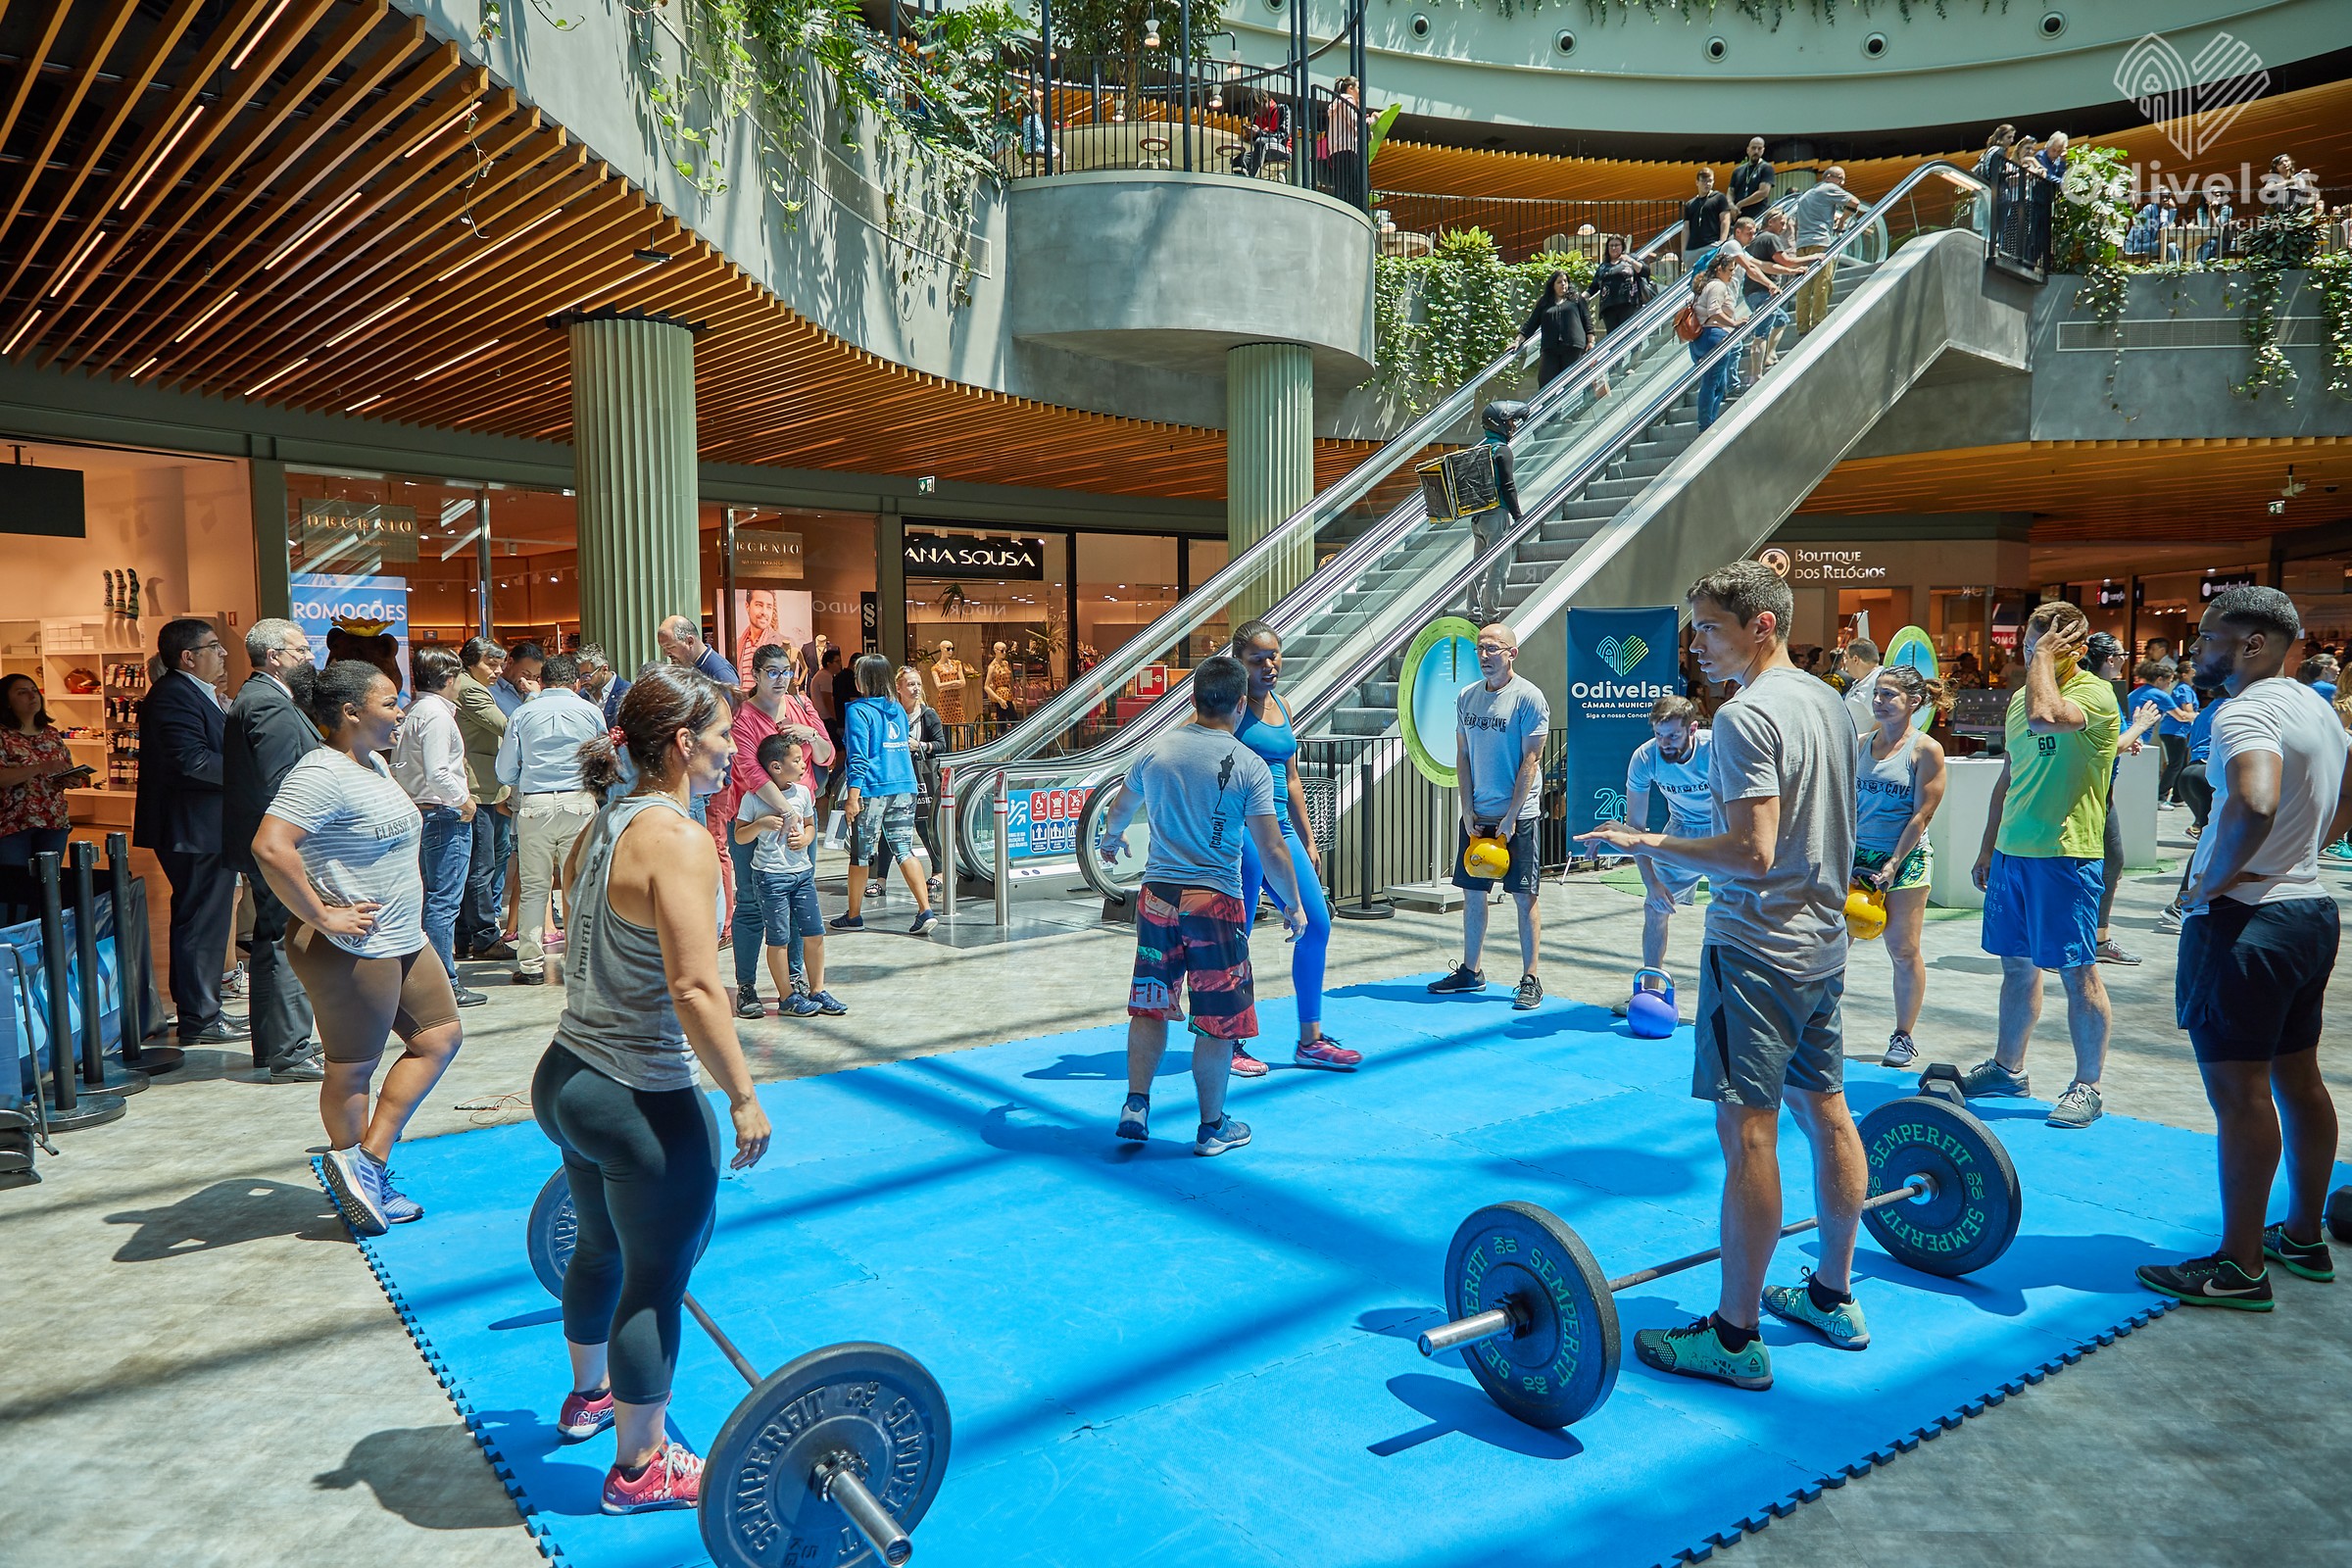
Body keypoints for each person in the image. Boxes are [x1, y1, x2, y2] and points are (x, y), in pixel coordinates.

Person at [1576, 559, 1868, 1392]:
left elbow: (1751, 851)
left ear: (1761, 625)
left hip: (1757, 951)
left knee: (1749, 1137)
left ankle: (1735, 1338)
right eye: (1694, 628)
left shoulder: (1743, 717)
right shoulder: (1828, 701)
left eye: (1708, 627)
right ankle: (1833, 1295)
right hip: (1822, 944)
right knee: (1828, 1111)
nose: (1695, 645)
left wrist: (1649, 843)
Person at [531, 664, 771, 1515]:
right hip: (637, 1098)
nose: (731, 750)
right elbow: (696, 988)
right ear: (681, 742)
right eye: (721, 736)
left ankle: (589, 1397)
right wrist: (742, 1095)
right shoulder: (678, 839)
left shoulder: (601, 823)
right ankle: (640, 1469)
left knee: (599, 1249)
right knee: (655, 1281)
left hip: (566, 1078)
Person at [2136, 586, 2349, 1310]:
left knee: (2241, 1094)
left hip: (2248, 921)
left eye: (2207, 637)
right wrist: (2300, 855)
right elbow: (2347, 796)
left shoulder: (2245, 711)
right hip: (2308, 910)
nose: (2196, 650)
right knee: (2298, 1078)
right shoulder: (2316, 706)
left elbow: (2256, 803)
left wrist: (2212, 882)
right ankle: (2304, 1236)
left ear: (2252, 645)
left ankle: (2240, 1267)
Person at [251, 662, 465, 1236]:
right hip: (353, 947)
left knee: (440, 1038)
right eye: (390, 703)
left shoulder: (372, 762)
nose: (401, 713)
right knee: (353, 1068)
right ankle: (358, 1170)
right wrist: (322, 915)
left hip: (401, 936)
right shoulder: (321, 772)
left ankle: (365, 1164)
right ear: (350, 712)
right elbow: (270, 846)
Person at [1092, 655, 1304, 1156]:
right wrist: (1294, 905)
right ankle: (1211, 1127)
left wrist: (1111, 839)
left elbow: (1120, 807)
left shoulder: (1156, 750)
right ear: (1239, 705)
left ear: (1192, 699)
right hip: (1215, 904)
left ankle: (1137, 1102)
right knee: (1217, 1018)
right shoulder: (1248, 765)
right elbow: (1273, 847)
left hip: (1157, 898)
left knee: (1150, 1003)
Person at [1962, 601, 2121, 1130]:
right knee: (2016, 965)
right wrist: (1989, 847)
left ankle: (2088, 1084)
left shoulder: (2094, 693)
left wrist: (2046, 659)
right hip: (2015, 852)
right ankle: (2008, 1068)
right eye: (2030, 645)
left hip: (2066, 854)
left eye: (2045, 645)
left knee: (2077, 969)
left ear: (2075, 647)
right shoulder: (2020, 698)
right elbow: (2008, 777)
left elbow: (2046, 716)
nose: (2033, 654)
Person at [1224, 622, 1359, 1075]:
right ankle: (1230, 1040)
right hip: (1243, 831)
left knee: (1316, 924)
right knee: (1236, 937)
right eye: (1257, 659)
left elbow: (1293, 778)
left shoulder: (1282, 705)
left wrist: (1307, 838)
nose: (1269, 666)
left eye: (1274, 656)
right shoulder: (1229, 707)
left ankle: (1310, 1040)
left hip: (1280, 828)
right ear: (1238, 662)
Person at [133, 616, 246, 1050]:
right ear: (188, 657)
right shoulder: (174, 695)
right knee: (201, 922)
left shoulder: (195, 692)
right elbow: (192, 761)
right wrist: (249, 772)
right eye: (214, 646)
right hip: (194, 829)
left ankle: (203, 1010)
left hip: (204, 827)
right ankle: (201, 1017)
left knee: (206, 920)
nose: (223, 653)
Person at [1428, 622, 1549, 1010]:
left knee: (1524, 896)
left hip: (1518, 815)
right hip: (1478, 814)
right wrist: (1466, 809)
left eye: (1493, 648)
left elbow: (1531, 760)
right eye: (1480, 648)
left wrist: (1512, 816)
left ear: (1512, 653)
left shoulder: (1529, 698)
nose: (1484, 655)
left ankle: (1530, 978)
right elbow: (1463, 754)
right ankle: (1471, 971)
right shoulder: (1467, 697)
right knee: (1473, 894)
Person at [222, 618, 325, 1076]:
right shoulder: (267, 702)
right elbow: (283, 784)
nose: (309, 656)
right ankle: (289, 1049)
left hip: (266, 841)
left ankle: (274, 1046)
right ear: (274, 657)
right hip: (279, 844)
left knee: (271, 939)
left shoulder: (261, 697)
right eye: (300, 650)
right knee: (289, 940)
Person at [717, 644, 836, 1017]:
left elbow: (827, 756)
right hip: (755, 820)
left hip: (800, 821)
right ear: (756, 674)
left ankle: (796, 983)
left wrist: (810, 734)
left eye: (786, 671)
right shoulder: (743, 717)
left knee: (800, 902)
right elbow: (751, 773)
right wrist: (788, 814)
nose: (781, 679)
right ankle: (747, 986)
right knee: (751, 905)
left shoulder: (801, 705)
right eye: (772, 671)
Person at [1853, 666, 1948, 1067]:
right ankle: (1815, 1025)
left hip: (1905, 860)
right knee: (1830, 946)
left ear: (1914, 701)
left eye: (1889, 695)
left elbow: (1922, 814)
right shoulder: (1860, 744)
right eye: (1877, 693)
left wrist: (1893, 864)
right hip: (1857, 859)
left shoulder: (1926, 750)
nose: (1879, 701)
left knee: (1903, 950)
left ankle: (1903, 1036)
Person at [496, 653, 610, 986]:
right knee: (581, 886)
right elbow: (606, 760)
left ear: (541, 681)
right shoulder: (590, 711)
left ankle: (531, 965)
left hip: (536, 805)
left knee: (534, 887)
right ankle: (581, 960)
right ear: (575, 683)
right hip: (579, 803)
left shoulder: (523, 713)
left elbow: (505, 770)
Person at [390, 647, 486, 1008]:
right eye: (459, 677)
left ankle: (425, 980)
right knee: (443, 901)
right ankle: (444, 982)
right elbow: (438, 771)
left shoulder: (415, 710)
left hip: (422, 811)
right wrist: (464, 801)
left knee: (429, 899)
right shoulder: (436, 715)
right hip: (443, 813)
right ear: (448, 679)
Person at [733, 730, 839, 1018]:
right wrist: (761, 824)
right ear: (776, 766)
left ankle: (817, 989)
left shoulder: (803, 793)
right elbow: (740, 836)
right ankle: (786, 996)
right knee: (778, 937)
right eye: (797, 760)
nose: (804, 764)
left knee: (814, 933)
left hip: (801, 874)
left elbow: (810, 825)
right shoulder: (753, 798)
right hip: (770, 877)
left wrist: (806, 838)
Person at [1622, 696, 1719, 1001]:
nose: (1665, 743)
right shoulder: (1644, 757)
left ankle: (1731, 997)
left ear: (1692, 729)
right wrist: (1651, 884)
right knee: (1655, 907)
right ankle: (1649, 993)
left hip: (1723, 828)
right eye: (1659, 735)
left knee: (1733, 912)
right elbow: (1635, 830)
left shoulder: (1716, 749)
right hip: (1681, 829)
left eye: (1673, 736)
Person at [832, 654, 936, 935]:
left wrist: (852, 797)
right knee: (904, 848)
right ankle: (925, 910)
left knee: (860, 854)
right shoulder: (897, 709)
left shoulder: (858, 711)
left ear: (863, 680)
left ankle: (854, 916)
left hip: (873, 789)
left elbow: (859, 756)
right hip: (904, 786)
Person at [2087, 634, 2166, 967]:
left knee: (2110, 863)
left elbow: (2112, 740)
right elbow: (2108, 746)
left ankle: (2095, 938)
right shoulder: (2097, 692)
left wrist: (2129, 736)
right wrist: (2140, 726)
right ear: (2110, 658)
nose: (2125, 658)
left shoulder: (2103, 690)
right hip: (2090, 794)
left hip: (2101, 792)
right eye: (2122, 653)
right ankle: (2084, 940)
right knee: (2103, 864)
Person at [453, 637, 516, 964]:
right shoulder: (471, 690)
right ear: (470, 662)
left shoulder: (473, 686)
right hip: (477, 788)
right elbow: (506, 725)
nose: (498, 671)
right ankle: (484, 937)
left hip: (487, 788)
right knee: (481, 867)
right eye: (491, 664)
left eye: (500, 664)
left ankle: (467, 937)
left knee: (483, 863)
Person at [1467, 401, 1526, 623]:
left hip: (1478, 518)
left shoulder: (1480, 449)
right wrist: (1518, 516)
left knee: (1478, 567)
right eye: (1510, 421)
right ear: (1499, 423)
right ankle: (1490, 616)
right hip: (1497, 516)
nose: (1513, 426)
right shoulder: (1502, 451)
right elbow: (1508, 487)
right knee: (1498, 569)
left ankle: (1473, 613)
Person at [1788, 166, 1862, 332]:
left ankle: (1802, 326)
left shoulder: (1806, 195)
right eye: (1840, 178)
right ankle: (1818, 322)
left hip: (1802, 245)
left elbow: (1798, 224)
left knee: (1803, 287)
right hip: (1820, 243)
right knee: (1822, 283)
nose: (1842, 183)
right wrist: (1842, 221)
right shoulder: (1828, 188)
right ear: (1828, 177)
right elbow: (1854, 202)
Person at [897, 665, 948, 894]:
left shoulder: (928, 714)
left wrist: (920, 745)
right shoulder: (894, 713)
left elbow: (941, 745)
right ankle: (880, 879)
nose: (916, 688)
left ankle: (939, 870)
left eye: (918, 684)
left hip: (920, 775)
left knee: (924, 824)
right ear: (899, 688)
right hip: (898, 775)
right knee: (892, 825)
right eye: (910, 684)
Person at [1690, 251, 1741, 431]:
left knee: (1717, 384)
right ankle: (1705, 425)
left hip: (1698, 340)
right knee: (1712, 384)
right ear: (1720, 269)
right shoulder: (1717, 286)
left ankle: (1708, 421)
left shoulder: (1703, 286)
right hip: (1713, 337)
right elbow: (1714, 311)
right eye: (1730, 270)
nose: (1732, 274)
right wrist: (1734, 323)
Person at [1518, 269, 1593, 391]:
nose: (1563, 284)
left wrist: (1591, 341)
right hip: (1550, 348)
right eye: (1559, 282)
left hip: (1573, 347)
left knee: (1572, 383)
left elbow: (1587, 320)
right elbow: (1531, 323)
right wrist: (1518, 340)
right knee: (1546, 384)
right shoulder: (1544, 302)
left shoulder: (1576, 298)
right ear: (1552, 285)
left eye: (1565, 281)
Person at [657, 614, 741, 702]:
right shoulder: (686, 666)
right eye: (663, 648)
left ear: (690, 641)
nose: (665, 654)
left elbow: (731, 709)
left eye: (670, 647)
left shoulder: (720, 672)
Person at [1586, 235, 1652, 335]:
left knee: (1630, 334)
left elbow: (1645, 271)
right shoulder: (1603, 266)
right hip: (1609, 308)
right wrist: (1580, 297)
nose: (1613, 248)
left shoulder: (1631, 258)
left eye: (1616, 245)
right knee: (1613, 336)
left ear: (1622, 246)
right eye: (1611, 245)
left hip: (1629, 304)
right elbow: (1593, 287)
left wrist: (1630, 260)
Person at [1323, 76, 1367, 209]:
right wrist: (1369, 121)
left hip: (1336, 150)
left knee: (1344, 184)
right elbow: (1354, 122)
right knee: (1354, 185)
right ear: (1350, 88)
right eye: (1358, 87)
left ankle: (1345, 208)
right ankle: (1346, 209)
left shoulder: (1338, 103)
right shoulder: (1347, 100)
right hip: (1347, 149)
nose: (1360, 91)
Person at [1682, 166, 1734, 269]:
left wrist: (1722, 243)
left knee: (1712, 274)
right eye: (1704, 181)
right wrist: (1684, 251)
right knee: (1694, 277)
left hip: (1712, 245)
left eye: (1710, 181)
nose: (1707, 184)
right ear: (1697, 182)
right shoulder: (1690, 204)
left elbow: (1725, 220)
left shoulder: (1719, 198)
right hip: (1692, 249)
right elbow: (1686, 228)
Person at [1838, 638, 1882, 735]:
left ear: (1855, 659)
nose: (1844, 663)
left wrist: (1866, 740)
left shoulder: (1877, 682)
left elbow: (1885, 719)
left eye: (1846, 658)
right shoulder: (1863, 680)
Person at [578, 643, 629, 726]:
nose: (582, 681)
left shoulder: (627, 693)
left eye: (587, 676)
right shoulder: (581, 696)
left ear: (604, 669)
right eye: (580, 676)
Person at [1730, 136, 1774, 224]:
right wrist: (1731, 205)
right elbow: (1730, 192)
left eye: (1759, 148)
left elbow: (1763, 192)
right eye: (1753, 148)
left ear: (1763, 150)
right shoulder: (1738, 170)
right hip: (1738, 218)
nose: (1756, 151)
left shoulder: (1766, 168)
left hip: (1757, 219)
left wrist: (1740, 204)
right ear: (1748, 150)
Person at [493, 641, 544, 717]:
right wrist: (534, 696)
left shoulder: (533, 690)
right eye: (525, 674)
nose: (529, 680)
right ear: (510, 663)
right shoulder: (490, 689)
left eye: (535, 676)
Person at [931, 639, 970, 731]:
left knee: (962, 727)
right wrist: (954, 682)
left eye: (952, 648)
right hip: (944, 702)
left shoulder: (957, 664)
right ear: (941, 649)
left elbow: (963, 683)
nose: (951, 651)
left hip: (956, 700)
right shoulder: (935, 668)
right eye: (948, 649)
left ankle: (968, 741)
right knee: (944, 729)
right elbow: (939, 686)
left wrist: (946, 685)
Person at [984, 641, 1017, 727]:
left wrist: (1013, 697)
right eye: (1002, 651)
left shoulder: (1005, 663)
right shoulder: (992, 667)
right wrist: (998, 699)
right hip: (1000, 695)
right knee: (1004, 721)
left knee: (1013, 720)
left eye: (1005, 650)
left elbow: (1010, 681)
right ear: (996, 651)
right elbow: (986, 686)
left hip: (1008, 694)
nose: (1004, 653)